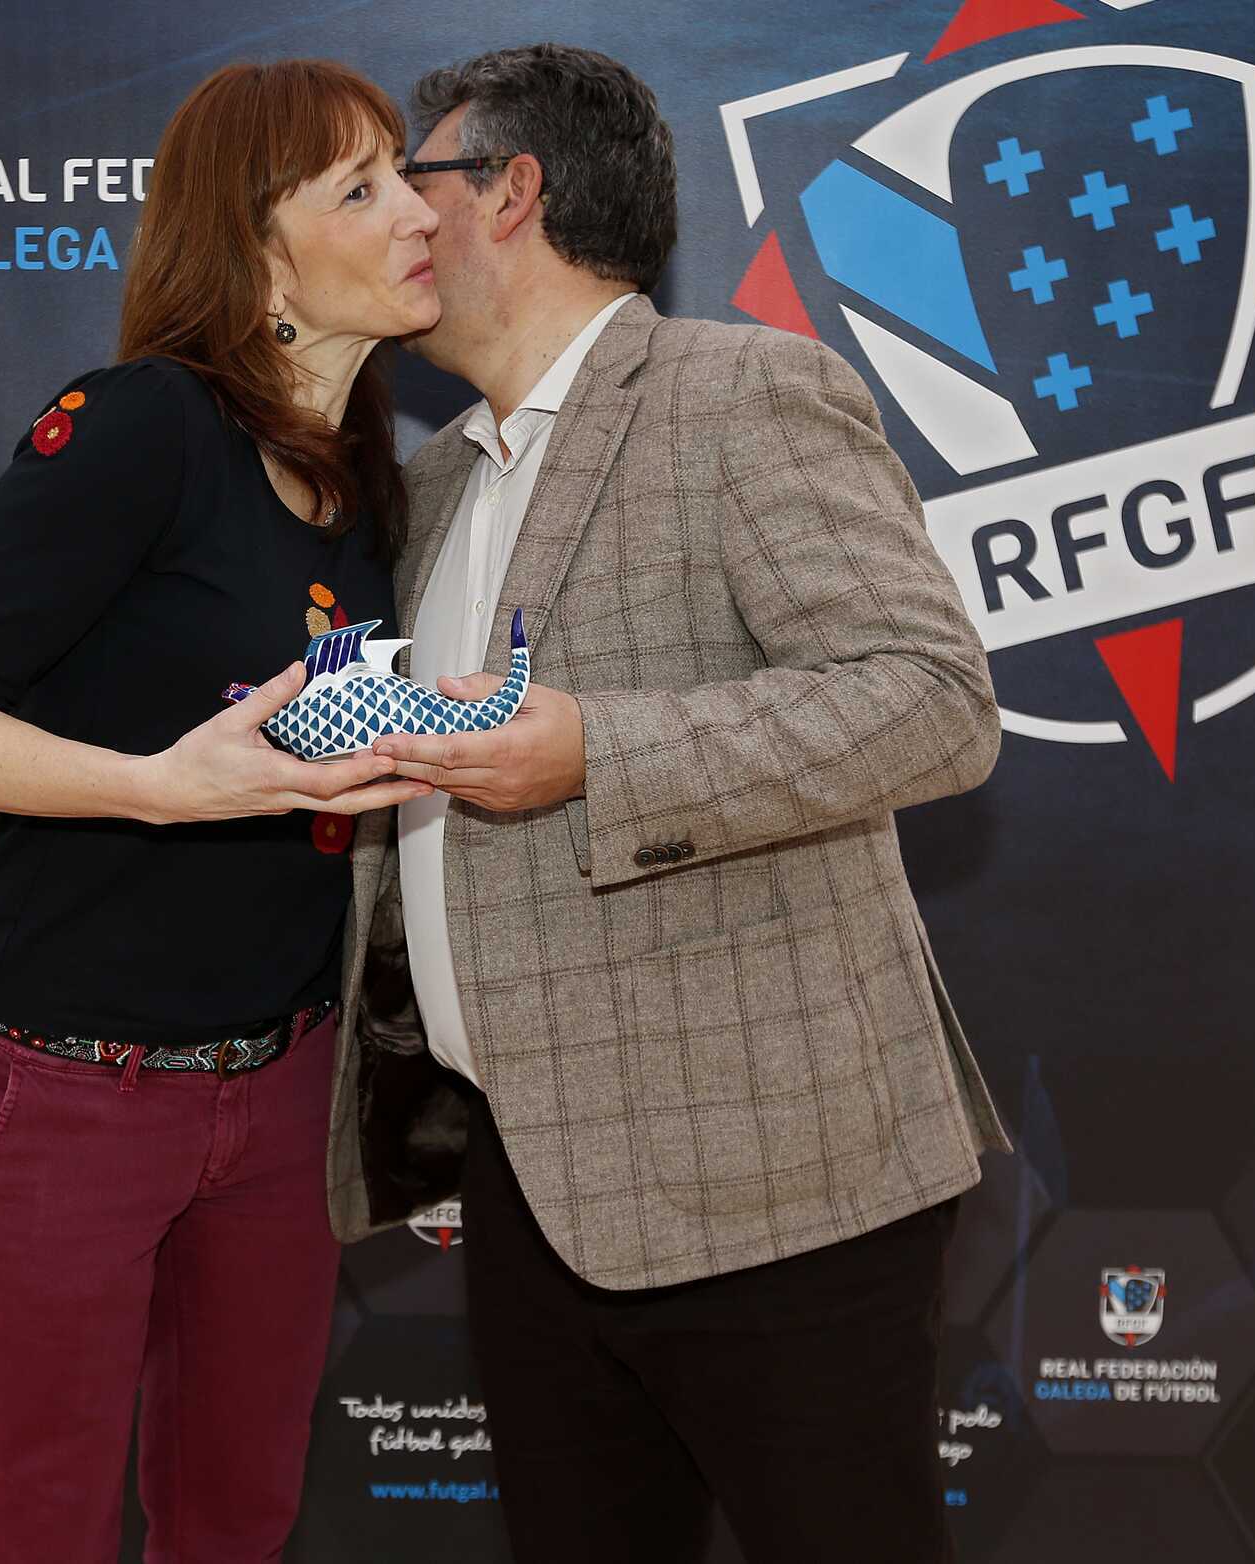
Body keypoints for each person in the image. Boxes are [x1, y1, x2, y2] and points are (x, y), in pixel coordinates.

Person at [327, 44, 1014, 1563]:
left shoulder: (740, 395)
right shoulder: (434, 487)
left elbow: (930, 702)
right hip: (528, 1181)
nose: (400, 223)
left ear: (511, 191)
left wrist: (601, 754)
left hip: (780, 1188)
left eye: (414, 182)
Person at [0, 59, 440, 1563]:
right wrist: (158, 789)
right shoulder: (143, 425)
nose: (418, 213)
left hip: (284, 1094)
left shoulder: (371, 484)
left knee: (236, 1519)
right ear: (260, 253)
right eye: (362, 188)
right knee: (37, 1528)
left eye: (403, 174)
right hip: (62, 1093)